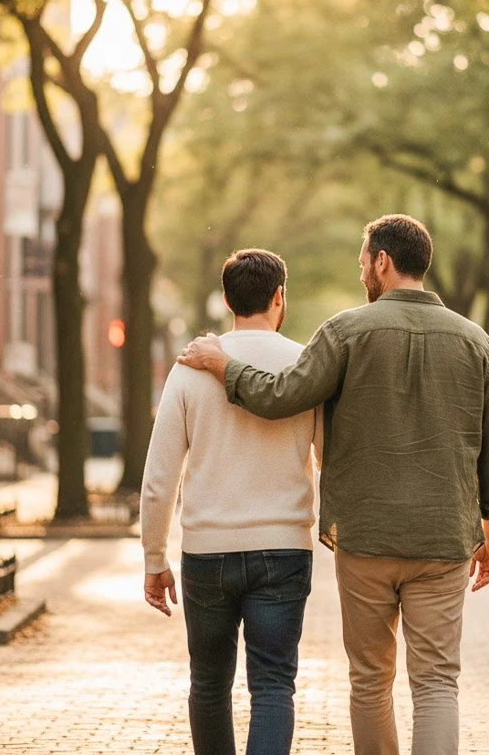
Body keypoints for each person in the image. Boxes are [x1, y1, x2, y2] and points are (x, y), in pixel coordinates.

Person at [178, 213, 489, 755]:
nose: (362, 271)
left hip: (365, 540)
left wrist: (223, 365)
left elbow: (282, 396)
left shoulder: (345, 332)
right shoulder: (475, 342)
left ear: (382, 260)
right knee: (435, 684)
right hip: (443, 540)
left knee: (370, 681)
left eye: (364, 261)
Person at [141, 248, 321, 755]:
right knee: (272, 686)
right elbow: (332, 460)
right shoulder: (305, 364)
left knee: (209, 683)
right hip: (285, 549)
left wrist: (154, 558)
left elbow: (159, 478)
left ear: (226, 299)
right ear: (279, 297)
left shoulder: (190, 367)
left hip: (206, 551)